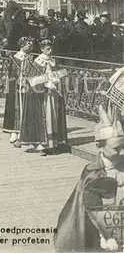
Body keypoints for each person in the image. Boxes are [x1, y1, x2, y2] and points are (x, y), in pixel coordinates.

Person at [54, 105, 124, 252]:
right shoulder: (93, 173)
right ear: (100, 146)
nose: (122, 152)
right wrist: (107, 236)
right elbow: (93, 208)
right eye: (116, 149)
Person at [20, 39, 68, 155]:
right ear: (42, 49)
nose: (50, 51)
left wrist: (57, 81)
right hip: (41, 96)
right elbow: (32, 80)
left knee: (53, 116)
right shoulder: (37, 62)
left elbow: (60, 74)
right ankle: (41, 145)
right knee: (43, 117)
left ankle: (53, 143)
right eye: (47, 49)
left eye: (51, 48)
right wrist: (45, 83)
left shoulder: (53, 61)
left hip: (53, 93)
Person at [3, 37, 34, 147]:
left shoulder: (30, 57)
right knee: (16, 109)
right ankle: (14, 134)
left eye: (31, 45)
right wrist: (18, 80)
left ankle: (24, 134)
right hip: (16, 87)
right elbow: (12, 73)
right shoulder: (16, 58)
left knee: (25, 109)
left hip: (27, 86)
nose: (31, 47)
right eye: (29, 45)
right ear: (22, 46)